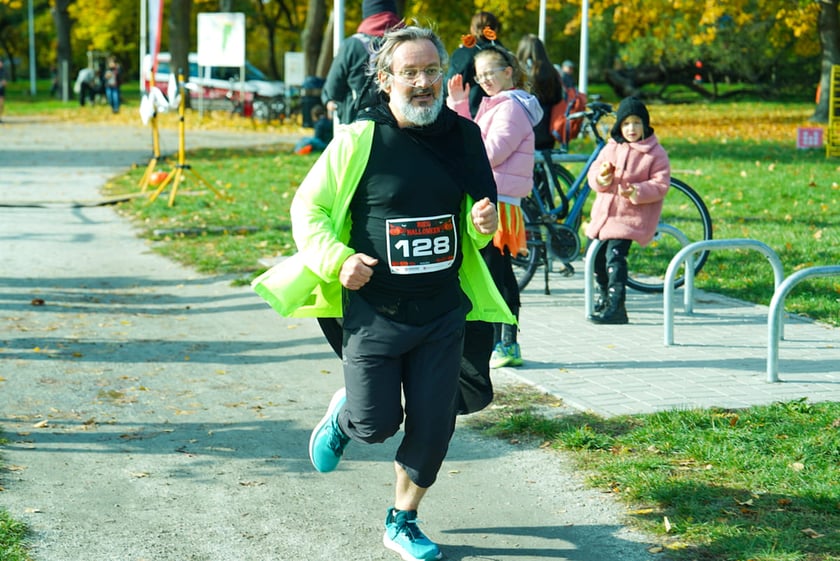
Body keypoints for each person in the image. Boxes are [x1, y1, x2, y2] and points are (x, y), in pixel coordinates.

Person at [252, 25, 513, 561]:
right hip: (375, 311)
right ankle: (347, 415)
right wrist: (338, 260)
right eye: (409, 72)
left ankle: (403, 519)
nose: (422, 82)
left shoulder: (464, 137)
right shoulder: (358, 139)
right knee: (376, 426)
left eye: (431, 71)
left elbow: (476, 219)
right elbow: (308, 208)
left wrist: (482, 224)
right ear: (385, 79)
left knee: (434, 425)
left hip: (443, 310)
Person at [447, 44, 542, 369]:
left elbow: (488, 153)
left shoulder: (511, 107)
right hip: (491, 200)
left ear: (508, 72)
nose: (485, 79)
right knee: (495, 273)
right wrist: (459, 105)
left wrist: (460, 112)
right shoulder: (496, 104)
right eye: (480, 75)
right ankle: (499, 342)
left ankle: (506, 343)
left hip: (500, 204)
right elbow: (470, 142)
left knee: (498, 275)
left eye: (491, 73)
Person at [586, 97, 670, 324]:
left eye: (636, 123)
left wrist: (636, 191)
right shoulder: (611, 148)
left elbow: (661, 184)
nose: (631, 128)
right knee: (595, 257)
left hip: (630, 217)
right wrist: (602, 178)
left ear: (645, 125)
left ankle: (617, 306)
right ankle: (605, 295)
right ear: (619, 126)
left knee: (614, 257)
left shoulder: (654, 153)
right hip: (604, 217)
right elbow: (594, 174)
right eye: (626, 123)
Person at [321, 0, 403, 124]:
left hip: (359, 123)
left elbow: (332, 90)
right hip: (399, 124)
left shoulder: (352, 45)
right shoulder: (406, 43)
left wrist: (328, 100)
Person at [445, 11, 503, 117]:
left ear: (472, 29)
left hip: (470, 113)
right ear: (495, 28)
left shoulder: (464, 53)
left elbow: (449, 84)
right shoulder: (504, 53)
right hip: (502, 110)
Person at [516, 34, 564, 151]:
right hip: (547, 127)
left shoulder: (518, 71)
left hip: (524, 127)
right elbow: (558, 98)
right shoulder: (552, 71)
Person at [0, 59, 6, 123]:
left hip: (1, 90)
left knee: (1, 104)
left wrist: (4, 83)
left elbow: (5, 82)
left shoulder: (3, 72)